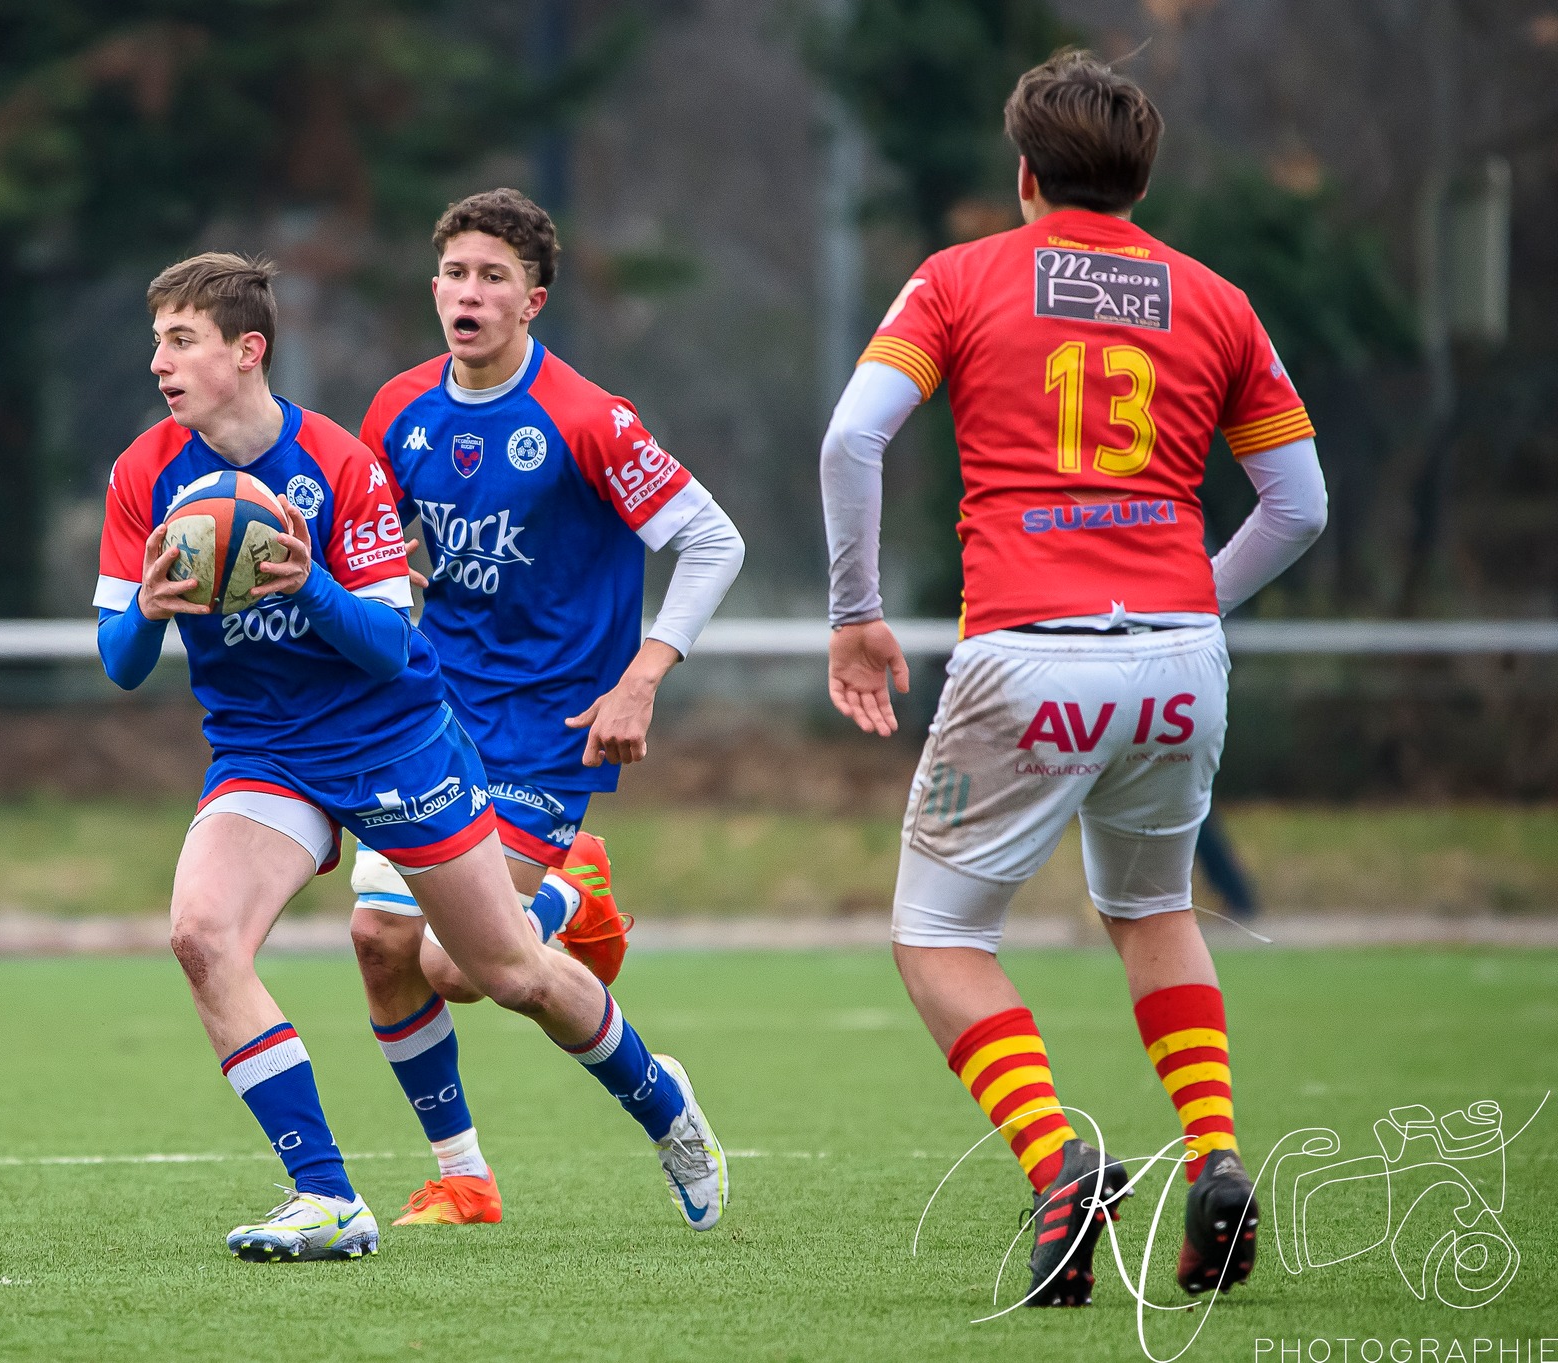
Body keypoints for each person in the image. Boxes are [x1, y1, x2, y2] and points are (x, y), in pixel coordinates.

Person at [92, 252, 729, 1263]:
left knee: (504, 972)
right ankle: (326, 1195)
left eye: (181, 341)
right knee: (202, 935)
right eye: (157, 341)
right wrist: (150, 609)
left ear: (247, 351)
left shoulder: (337, 463)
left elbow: (391, 643)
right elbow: (120, 662)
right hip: (263, 753)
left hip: (392, 742)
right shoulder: (145, 474)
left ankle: (663, 1104)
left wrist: (305, 584)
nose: (159, 363)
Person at [820, 51, 1327, 1305]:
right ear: (1140, 182)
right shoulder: (1215, 300)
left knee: (938, 934)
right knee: (1153, 907)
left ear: (1024, 174)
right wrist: (1187, 598)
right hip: (1176, 662)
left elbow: (851, 437)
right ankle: (1212, 1154)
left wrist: (856, 615)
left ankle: (1058, 1161)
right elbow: (1299, 506)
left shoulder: (957, 278)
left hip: (1025, 650)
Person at [347, 188, 747, 1227]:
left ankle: (664, 1103)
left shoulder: (586, 418)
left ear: (533, 299)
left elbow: (714, 542)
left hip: (548, 724)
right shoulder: (398, 409)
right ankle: (463, 1177)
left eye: (493, 277)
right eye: (454, 273)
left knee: (465, 966)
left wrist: (641, 676)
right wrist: (379, 585)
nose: (468, 293)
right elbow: (371, 539)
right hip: (430, 710)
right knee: (379, 939)